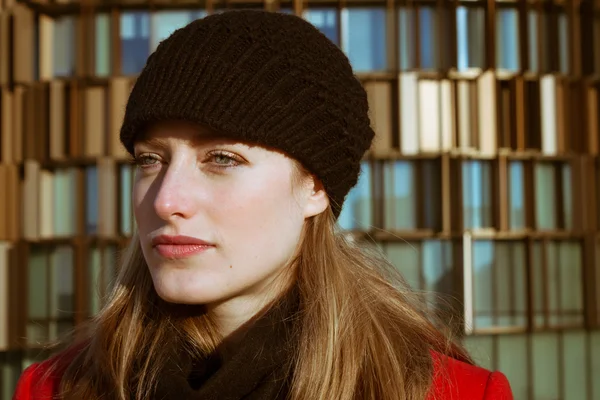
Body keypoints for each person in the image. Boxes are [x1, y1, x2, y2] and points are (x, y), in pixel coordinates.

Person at [13, 9, 513, 400]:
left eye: (222, 158)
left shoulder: (445, 392)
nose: (166, 200)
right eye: (150, 159)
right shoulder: (54, 389)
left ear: (314, 188)